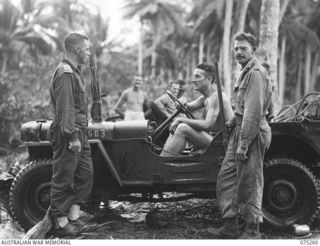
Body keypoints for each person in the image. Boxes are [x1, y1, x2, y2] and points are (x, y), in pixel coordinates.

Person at [209, 32, 272, 239]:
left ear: (253, 50)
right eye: (236, 48)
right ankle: (230, 227)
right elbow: (242, 109)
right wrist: (233, 120)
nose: (238, 52)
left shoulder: (255, 73)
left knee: (249, 183)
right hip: (241, 129)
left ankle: (252, 231)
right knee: (226, 179)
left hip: (252, 133)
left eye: (243, 48)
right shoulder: (244, 72)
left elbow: (253, 113)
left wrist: (243, 144)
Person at [49, 32, 93, 237]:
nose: (89, 53)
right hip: (70, 133)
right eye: (87, 49)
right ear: (76, 49)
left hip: (80, 132)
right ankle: (60, 222)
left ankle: (74, 216)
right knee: (64, 177)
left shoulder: (75, 72)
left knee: (86, 174)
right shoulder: (66, 72)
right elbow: (65, 108)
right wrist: (72, 137)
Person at [160, 63, 233, 157]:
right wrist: (181, 103)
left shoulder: (216, 97)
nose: (193, 80)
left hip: (222, 143)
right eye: (194, 76)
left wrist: (181, 120)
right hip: (213, 139)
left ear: (209, 79)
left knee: (182, 128)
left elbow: (207, 125)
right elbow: (188, 107)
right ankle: (162, 157)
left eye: (197, 77)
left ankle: (163, 163)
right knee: (175, 127)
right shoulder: (205, 97)